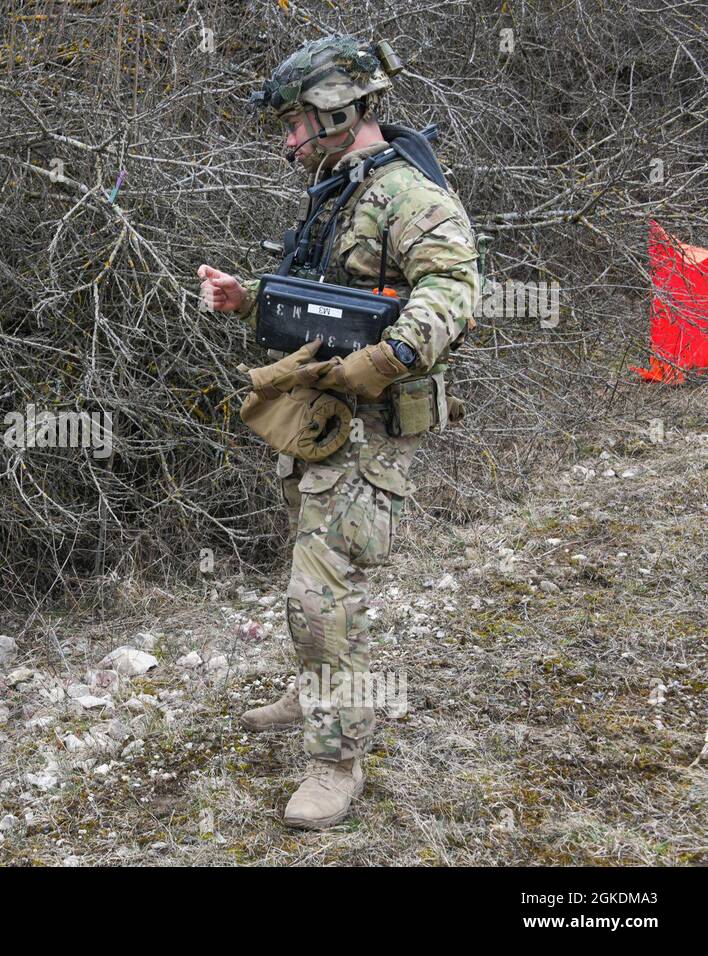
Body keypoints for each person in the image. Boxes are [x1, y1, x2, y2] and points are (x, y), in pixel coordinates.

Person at [198, 35, 479, 828]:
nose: (287, 141)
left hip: (369, 425)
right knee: (307, 573)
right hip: (322, 418)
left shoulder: (408, 196)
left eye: (294, 124)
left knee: (319, 597)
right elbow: (330, 295)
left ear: (337, 113)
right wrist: (247, 298)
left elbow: (454, 290)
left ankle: (336, 758)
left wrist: (386, 361)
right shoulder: (341, 188)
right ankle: (314, 688)